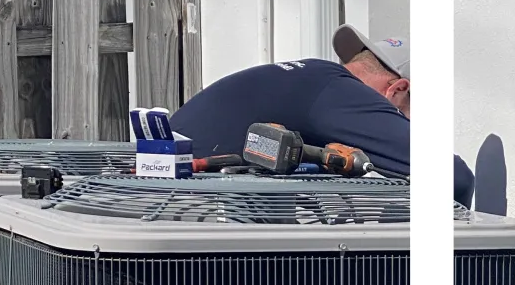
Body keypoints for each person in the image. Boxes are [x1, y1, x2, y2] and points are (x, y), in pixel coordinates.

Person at [168, 25, 411, 177]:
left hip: (153, 197)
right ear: (398, 89)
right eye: (405, 114)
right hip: (186, 209)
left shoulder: (312, 75)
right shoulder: (343, 93)